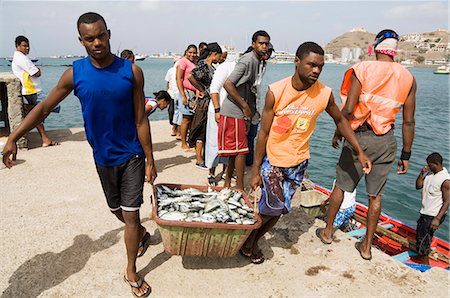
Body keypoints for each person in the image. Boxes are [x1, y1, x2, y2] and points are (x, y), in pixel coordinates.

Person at [3, 12, 156, 297]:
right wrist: (14, 136)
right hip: (102, 156)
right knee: (116, 210)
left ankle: (131, 270)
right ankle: (141, 236)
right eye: (90, 38)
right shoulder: (75, 73)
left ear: (109, 33)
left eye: (101, 35)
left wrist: (150, 158)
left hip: (132, 154)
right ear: (81, 41)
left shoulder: (131, 71)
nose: (97, 42)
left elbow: (140, 119)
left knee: (132, 215)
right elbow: (44, 108)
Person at [241, 42, 371, 264]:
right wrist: (255, 170)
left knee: (281, 209)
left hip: (299, 161)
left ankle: (251, 239)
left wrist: (359, 151)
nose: (316, 71)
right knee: (271, 208)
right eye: (312, 65)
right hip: (274, 159)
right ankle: (248, 242)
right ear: (297, 61)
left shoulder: (324, 94)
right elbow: (262, 133)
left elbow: (340, 119)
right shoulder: (277, 91)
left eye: (321, 66)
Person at [318, 29, 417, 261]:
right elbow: (409, 121)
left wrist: (337, 131)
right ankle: (367, 247)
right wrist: (406, 154)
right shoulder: (408, 77)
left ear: (376, 46)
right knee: (376, 197)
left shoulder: (362, 69)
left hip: (358, 138)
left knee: (341, 187)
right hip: (386, 141)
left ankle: (328, 231)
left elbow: (350, 108)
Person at [219, 30, 271, 190]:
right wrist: (245, 106)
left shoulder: (258, 61)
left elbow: (251, 89)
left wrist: (252, 111)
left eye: (266, 44)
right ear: (253, 44)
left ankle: (229, 182)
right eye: (261, 43)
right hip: (234, 111)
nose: (264, 46)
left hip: (242, 112)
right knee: (241, 150)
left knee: (237, 150)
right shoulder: (247, 60)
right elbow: (228, 84)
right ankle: (239, 187)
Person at [12, 35, 60, 147]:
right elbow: (36, 73)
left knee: (39, 113)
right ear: (17, 46)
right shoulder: (21, 58)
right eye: (24, 46)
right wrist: (38, 70)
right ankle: (28, 110)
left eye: (28, 46)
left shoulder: (21, 57)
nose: (27, 48)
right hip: (32, 90)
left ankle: (45, 139)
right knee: (53, 106)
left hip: (31, 90)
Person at [187, 42, 222, 169]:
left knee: (205, 129)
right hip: (205, 103)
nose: (219, 59)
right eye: (219, 56)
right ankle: (199, 159)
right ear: (214, 54)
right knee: (201, 129)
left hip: (208, 102)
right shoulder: (204, 65)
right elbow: (190, 76)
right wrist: (201, 89)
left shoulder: (209, 66)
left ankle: (203, 157)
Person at [205, 59, 236, 186]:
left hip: (233, 112)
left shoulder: (252, 70)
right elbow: (214, 89)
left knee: (229, 145)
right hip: (217, 110)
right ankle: (211, 173)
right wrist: (217, 109)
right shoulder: (226, 67)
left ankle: (225, 172)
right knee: (214, 143)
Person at [415, 152, 449, 265]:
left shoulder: (445, 180)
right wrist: (422, 173)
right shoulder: (430, 174)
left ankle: (425, 265)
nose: (428, 166)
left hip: (433, 215)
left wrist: (437, 219)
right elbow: (418, 186)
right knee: (421, 238)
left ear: (437, 164)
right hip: (425, 213)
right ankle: (421, 258)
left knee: (424, 241)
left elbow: (447, 201)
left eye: (430, 165)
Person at [246, 43, 275, 167]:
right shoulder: (249, 63)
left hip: (254, 104)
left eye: (269, 52)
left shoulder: (263, 65)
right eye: (266, 52)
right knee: (247, 135)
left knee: (252, 134)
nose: (267, 54)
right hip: (247, 104)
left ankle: (250, 160)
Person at [176, 44, 198, 152]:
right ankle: (183, 143)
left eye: (194, 52)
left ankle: (190, 141)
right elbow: (179, 79)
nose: (192, 55)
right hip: (186, 92)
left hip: (194, 93)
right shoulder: (183, 62)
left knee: (193, 119)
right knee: (186, 118)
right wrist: (183, 95)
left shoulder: (196, 62)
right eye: (190, 52)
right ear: (186, 52)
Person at [165, 57, 181, 138]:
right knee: (173, 111)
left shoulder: (177, 69)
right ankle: (175, 128)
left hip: (178, 93)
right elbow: (168, 82)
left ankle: (176, 129)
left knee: (177, 111)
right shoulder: (171, 70)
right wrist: (167, 92)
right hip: (172, 93)